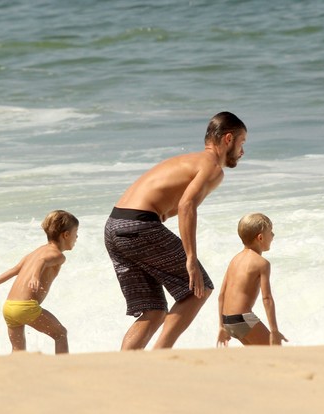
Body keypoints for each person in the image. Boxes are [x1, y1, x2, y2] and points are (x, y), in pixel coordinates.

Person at [104, 111, 247, 350]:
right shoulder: (212, 167)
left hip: (114, 226)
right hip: (139, 225)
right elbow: (186, 205)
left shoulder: (188, 161)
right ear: (228, 139)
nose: (242, 151)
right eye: (242, 143)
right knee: (199, 289)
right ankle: (161, 355)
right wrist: (190, 258)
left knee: (153, 310)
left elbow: (168, 207)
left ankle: (125, 366)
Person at [0, 210, 79, 354]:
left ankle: (15, 374)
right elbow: (42, 261)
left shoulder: (36, 251)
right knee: (60, 334)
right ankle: (64, 371)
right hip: (25, 307)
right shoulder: (58, 255)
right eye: (76, 232)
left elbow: (16, 269)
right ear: (66, 235)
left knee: (18, 350)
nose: (77, 237)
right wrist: (35, 276)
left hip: (9, 307)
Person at [217, 213, 287, 346]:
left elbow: (221, 295)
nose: (273, 236)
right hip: (243, 318)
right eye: (271, 232)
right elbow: (267, 299)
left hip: (228, 320)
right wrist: (274, 331)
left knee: (259, 356)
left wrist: (221, 326)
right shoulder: (262, 263)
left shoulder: (235, 260)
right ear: (260, 237)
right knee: (273, 352)